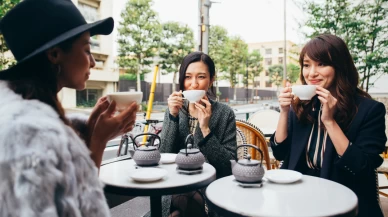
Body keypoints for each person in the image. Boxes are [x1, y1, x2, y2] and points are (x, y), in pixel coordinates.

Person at [0, 0, 137, 216]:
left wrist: (92, 133)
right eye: (86, 50)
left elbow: (71, 198)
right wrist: (99, 141)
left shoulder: (31, 113)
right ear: (54, 55)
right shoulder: (28, 133)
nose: (92, 62)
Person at [271, 34, 387, 217]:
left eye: (322, 64)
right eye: (307, 65)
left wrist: (330, 122)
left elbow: (362, 168)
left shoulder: (369, 110)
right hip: (298, 192)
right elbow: (279, 153)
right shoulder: (302, 104)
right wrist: (284, 112)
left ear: (340, 67)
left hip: (344, 194)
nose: (311, 73)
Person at [160, 51, 237, 217]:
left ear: (211, 80)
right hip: (176, 183)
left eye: (201, 77)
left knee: (182, 206)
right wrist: (172, 117)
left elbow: (228, 165)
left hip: (210, 185)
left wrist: (205, 129)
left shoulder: (225, 113)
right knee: (180, 202)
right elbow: (163, 154)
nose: (193, 84)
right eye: (188, 77)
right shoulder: (175, 110)